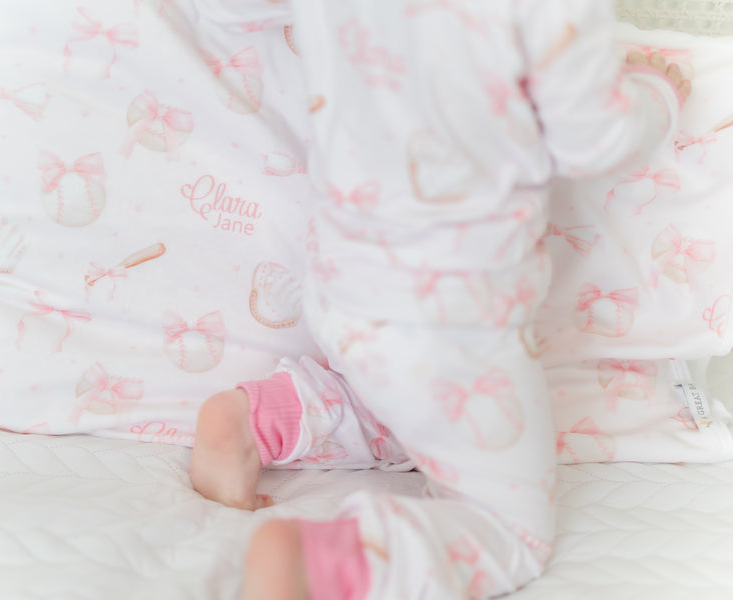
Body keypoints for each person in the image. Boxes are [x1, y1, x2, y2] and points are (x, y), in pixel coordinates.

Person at [191, 2, 690, 598]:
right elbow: (592, 141)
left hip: (341, 278)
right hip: (455, 318)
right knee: (508, 531)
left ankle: (259, 420)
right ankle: (326, 567)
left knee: (402, 411)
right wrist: (656, 94)